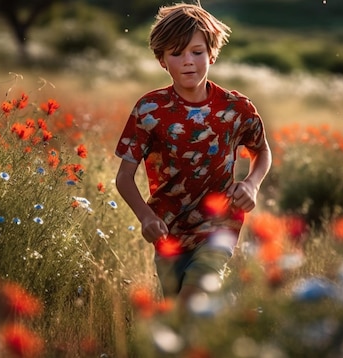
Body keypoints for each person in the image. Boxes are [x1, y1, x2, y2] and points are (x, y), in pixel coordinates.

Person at [115, 2, 272, 307]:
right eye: (176, 53)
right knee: (180, 320)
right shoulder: (150, 110)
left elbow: (261, 150)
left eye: (197, 52)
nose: (188, 61)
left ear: (212, 54)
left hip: (219, 229)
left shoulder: (236, 108)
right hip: (169, 234)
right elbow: (123, 178)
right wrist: (146, 217)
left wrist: (252, 184)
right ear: (162, 60)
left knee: (191, 302)